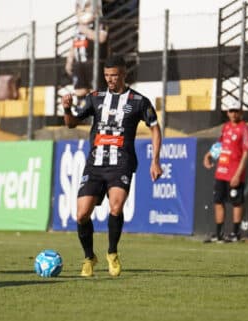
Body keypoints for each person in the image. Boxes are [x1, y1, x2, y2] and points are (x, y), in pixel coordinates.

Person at [61, 55, 162, 277]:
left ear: (124, 74)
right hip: (95, 164)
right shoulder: (95, 98)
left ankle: (112, 253)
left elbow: (155, 128)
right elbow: (71, 124)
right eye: (107, 75)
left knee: (116, 208)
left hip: (122, 163)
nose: (110, 80)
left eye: (114, 75)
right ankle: (89, 257)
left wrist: (155, 160)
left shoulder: (138, 101)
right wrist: (67, 109)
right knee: (81, 215)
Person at [203, 103, 248, 243]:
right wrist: (207, 155)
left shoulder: (244, 129)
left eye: (236, 111)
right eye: (231, 111)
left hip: (234, 173)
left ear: (241, 112)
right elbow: (219, 145)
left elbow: (246, 152)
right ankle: (218, 234)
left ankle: (235, 234)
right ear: (227, 112)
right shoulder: (226, 127)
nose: (233, 114)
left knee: (236, 202)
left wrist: (238, 174)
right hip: (221, 171)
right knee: (218, 201)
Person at [65, 0, 108, 103]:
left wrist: (86, 30)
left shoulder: (99, 22)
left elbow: (102, 37)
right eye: (79, 7)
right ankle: (83, 110)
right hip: (79, 63)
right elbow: (74, 43)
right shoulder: (77, 27)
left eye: (87, 6)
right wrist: (69, 60)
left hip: (93, 62)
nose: (83, 10)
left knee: (96, 89)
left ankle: (98, 110)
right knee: (80, 90)